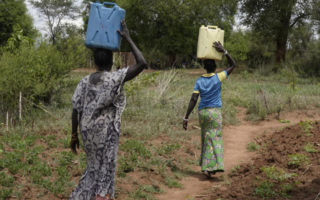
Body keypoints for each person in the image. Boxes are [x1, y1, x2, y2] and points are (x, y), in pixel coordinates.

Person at [69, 21, 147, 200]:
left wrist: (74, 135)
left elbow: (75, 110)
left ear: (95, 62)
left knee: (93, 168)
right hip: (106, 134)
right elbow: (142, 63)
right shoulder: (114, 78)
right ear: (112, 61)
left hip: (87, 132)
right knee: (105, 170)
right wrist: (128, 38)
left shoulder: (84, 81)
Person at [183, 41, 236, 178]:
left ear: (204, 68)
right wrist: (224, 51)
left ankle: (207, 167)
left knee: (206, 138)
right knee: (215, 138)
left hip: (203, 113)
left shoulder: (199, 81)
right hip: (215, 112)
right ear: (215, 67)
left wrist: (186, 117)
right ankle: (214, 167)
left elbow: (193, 99)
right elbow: (233, 65)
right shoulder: (218, 77)